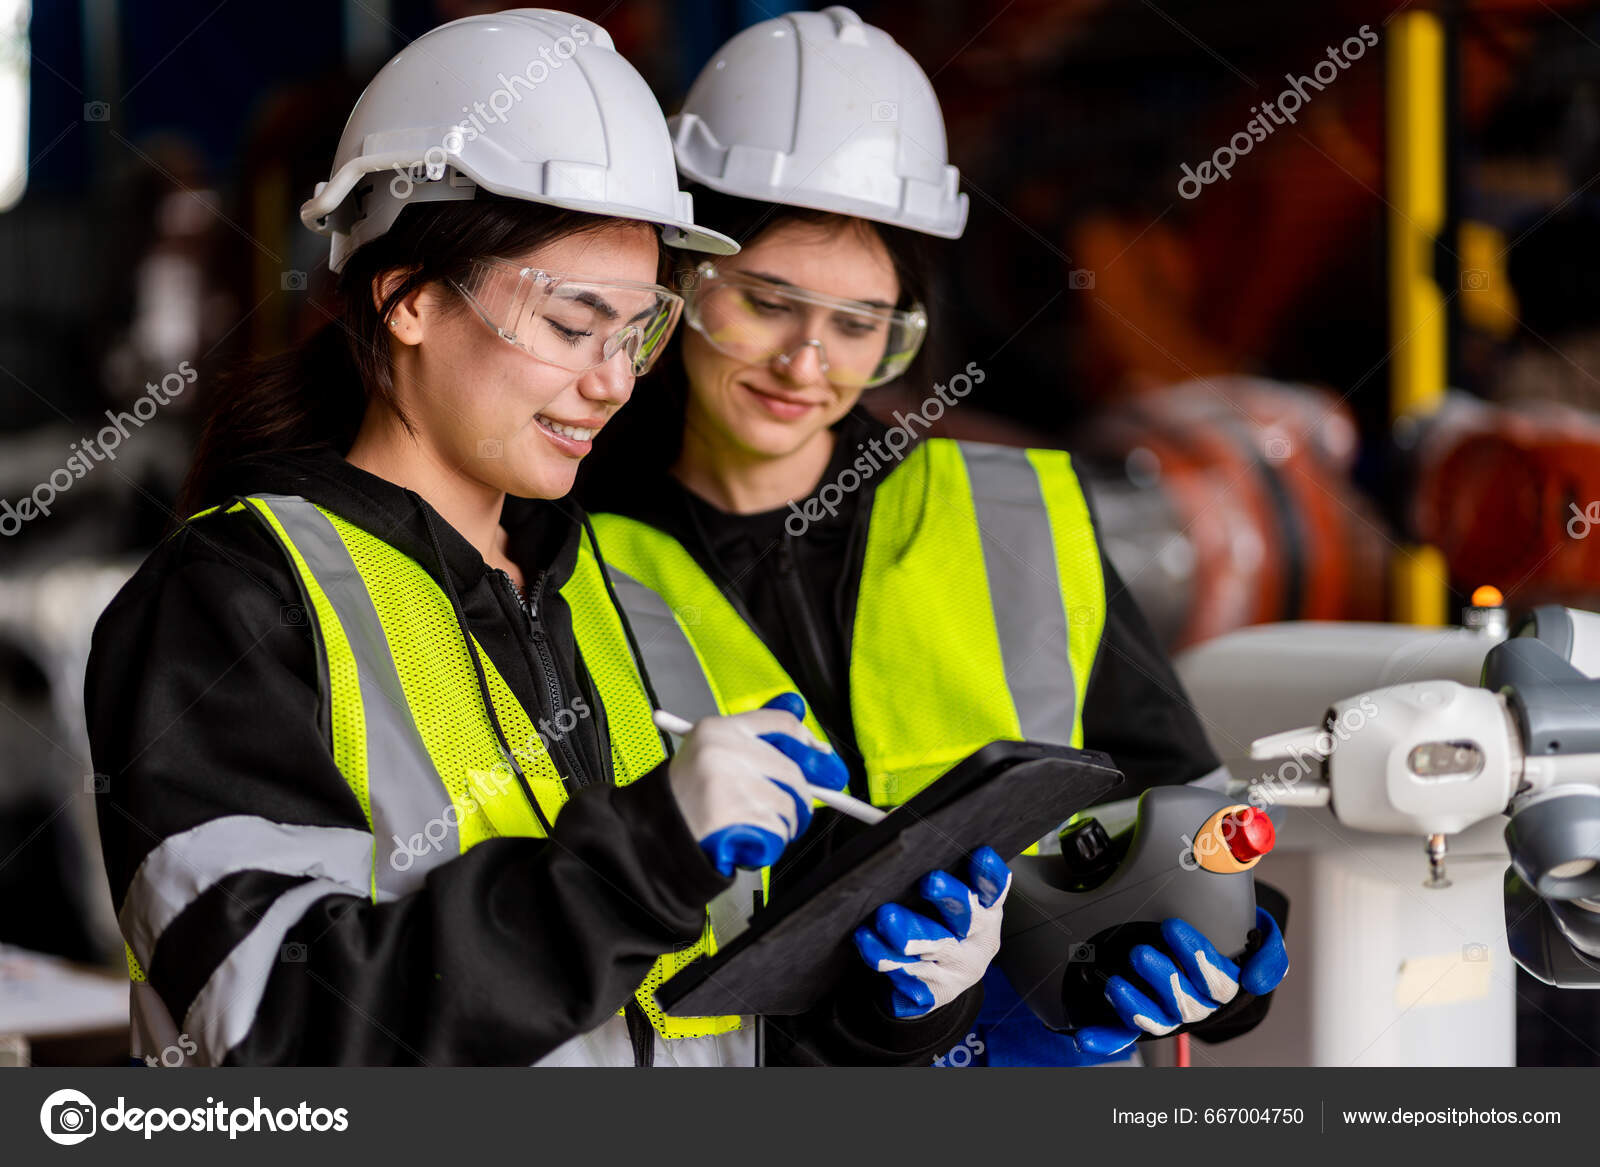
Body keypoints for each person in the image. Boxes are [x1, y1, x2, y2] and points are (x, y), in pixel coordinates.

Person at [85, 10, 1008, 1068]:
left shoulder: (601, 590)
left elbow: (683, 1027)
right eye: (574, 327)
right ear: (410, 299)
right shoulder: (233, 604)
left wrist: (886, 1007)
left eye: (638, 330)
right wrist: (643, 861)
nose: (614, 381)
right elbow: (271, 1029)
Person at [578, 6, 1288, 1066]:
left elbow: (1174, 807)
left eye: (860, 324)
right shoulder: (561, 548)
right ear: (682, 282)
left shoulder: (1015, 513)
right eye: (768, 304)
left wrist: (1225, 956)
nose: (806, 363)